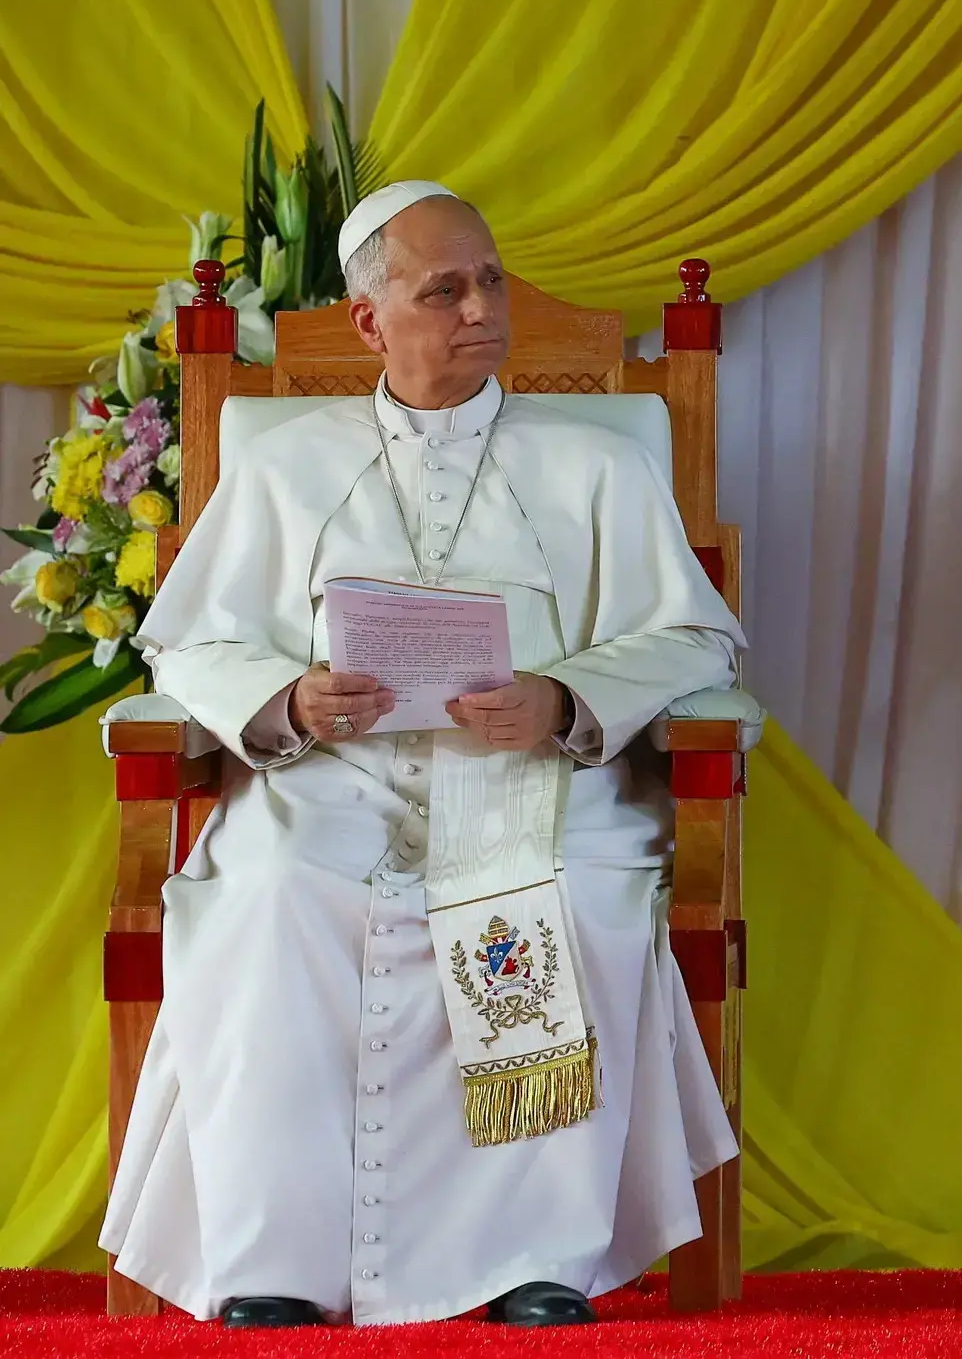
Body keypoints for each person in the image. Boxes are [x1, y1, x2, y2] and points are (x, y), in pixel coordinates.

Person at [100, 182, 746, 1328]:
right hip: (329, 787)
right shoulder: (286, 464)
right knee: (272, 900)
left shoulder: (598, 466)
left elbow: (694, 632)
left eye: (488, 280)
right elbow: (191, 637)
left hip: (527, 788)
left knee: (552, 901)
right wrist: (286, 700)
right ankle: (277, 1265)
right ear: (368, 321)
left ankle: (530, 1261)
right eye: (442, 289)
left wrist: (565, 698)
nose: (479, 308)